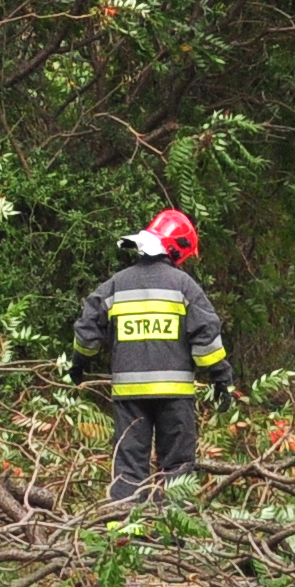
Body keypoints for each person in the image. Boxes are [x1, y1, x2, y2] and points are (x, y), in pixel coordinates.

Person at [71, 210, 226, 500]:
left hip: (129, 395)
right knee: (177, 467)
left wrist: (80, 363)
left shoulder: (115, 285)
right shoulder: (184, 286)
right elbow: (206, 335)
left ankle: (126, 534)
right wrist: (220, 377)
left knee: (129, 467)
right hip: (174, 395)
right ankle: (174, 534)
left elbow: (88, 328)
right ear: (176, 247)